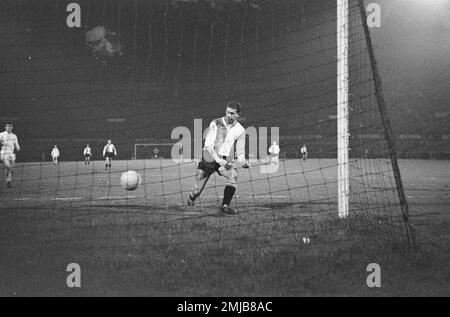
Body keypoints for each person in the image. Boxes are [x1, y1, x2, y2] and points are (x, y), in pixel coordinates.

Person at [187, 101, 249, 214]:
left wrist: (243, 161)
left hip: (225, 160)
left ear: (238, 115)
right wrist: (218, 159)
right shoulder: (216, 123)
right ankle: (191, 197)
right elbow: (209, 145)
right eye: (227, 112)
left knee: (234, 175)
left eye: (232, 113)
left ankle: (225, 206)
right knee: (196, 191)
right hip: (209, 158)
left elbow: (240, 151)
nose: (229, 115)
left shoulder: (240, 130)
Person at [0, 123, 21, 188]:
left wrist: (18, 147)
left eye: (10, 126)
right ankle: (8, 180)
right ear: (5, 127)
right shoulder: (1, 134)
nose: (9, 127)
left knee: (9, 168)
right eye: (7, 126)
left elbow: (16, 143)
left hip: (11, 154)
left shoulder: (14, 136)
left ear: (12, 127)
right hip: (4, 153)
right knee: (9, 167)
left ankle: (8, 182)